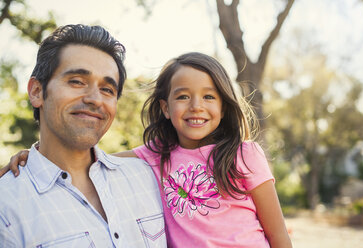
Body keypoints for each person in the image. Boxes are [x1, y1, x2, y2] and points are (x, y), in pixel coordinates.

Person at [3, 52, 292, 247]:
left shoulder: (245, 154)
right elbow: (93, 158)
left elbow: (278, 235)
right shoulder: (157, 156)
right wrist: (36, 155)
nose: (196, 107)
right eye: (183, 97)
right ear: (165, 107)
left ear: (223, 105)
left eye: (209, 96)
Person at [0, 24, 166, 247]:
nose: (95, 99)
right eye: (77, 81)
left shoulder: (149, 179)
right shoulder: (6, 206)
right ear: (37, 91)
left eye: (107, 89)